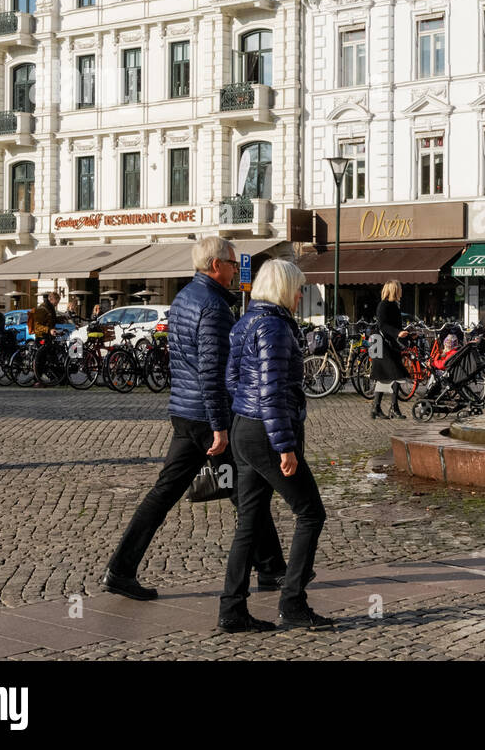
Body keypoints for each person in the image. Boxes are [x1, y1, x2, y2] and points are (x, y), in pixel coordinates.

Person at [102, 237, 285, 601]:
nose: (236, 270)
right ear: (215, 265)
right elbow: (211, 371)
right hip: (205, 417)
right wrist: (219, 425)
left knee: (174, 492)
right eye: (232, 263)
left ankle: (121, 569)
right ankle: (271, 570)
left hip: (185, 412)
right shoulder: (214, 308)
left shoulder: (185, 297)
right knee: (246, 492)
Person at [220, 259, 331, 633]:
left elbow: (232, 380)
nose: (302, 295)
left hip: (244, 428)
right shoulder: (276, 328)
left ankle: (232, 608)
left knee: (248, 522)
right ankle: (293, 602)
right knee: (311, 513)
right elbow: (271, 393)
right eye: (299, 288)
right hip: (269, 433)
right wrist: (285, 446)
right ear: (285, 288)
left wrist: (247, 417)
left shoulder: (245, 321)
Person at [370, 279, 408, 420]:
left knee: (384, 376)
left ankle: (376, 408)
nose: (401, 290)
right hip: (380, 344)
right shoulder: (384, 305)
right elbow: (383, 325)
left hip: (388, 344)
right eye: (399, 288)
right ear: (394, 290)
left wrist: (403, 333)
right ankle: (393, 408)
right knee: (396, 374)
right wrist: (397, 333)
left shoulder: (394, 305)